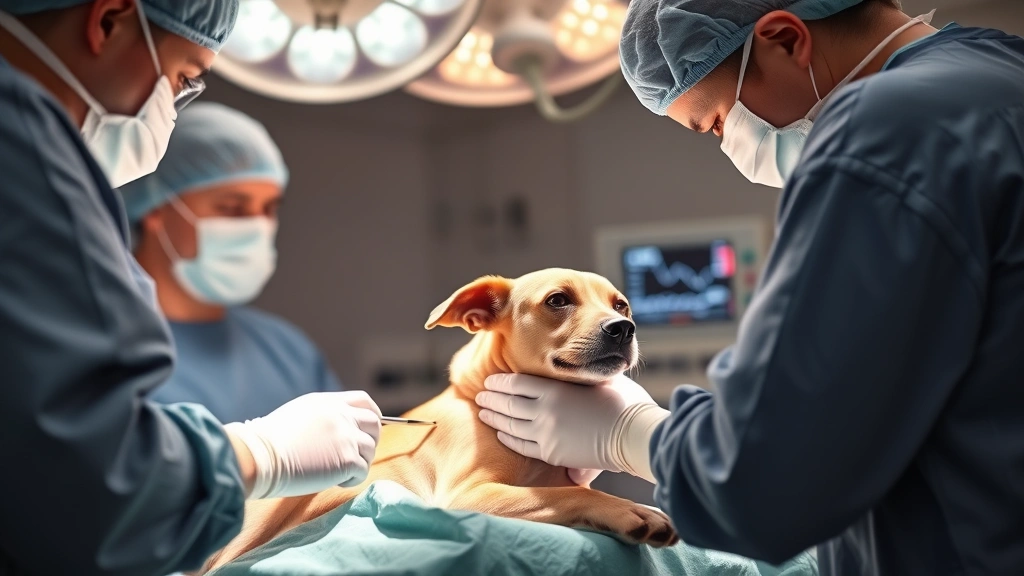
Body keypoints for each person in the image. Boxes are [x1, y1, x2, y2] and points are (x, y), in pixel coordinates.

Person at [474, 0, 1024, 574]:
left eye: (714, 122)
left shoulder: (888, 132)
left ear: (785, 40)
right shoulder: (1002, 77)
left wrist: (629, 434)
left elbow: (764, 484)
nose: (726, 144)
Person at [0, 2, 381, 574]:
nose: (256, 226)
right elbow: (94, 499)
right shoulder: (22, 143)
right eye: (183, 77)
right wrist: (265, 453)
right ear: (108, 19)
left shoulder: (281, 347)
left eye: (269, 209)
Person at [119, 102, 342, 424]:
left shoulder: (289, 353)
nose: (257, 226)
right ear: (156, 208)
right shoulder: (101, 349)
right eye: (232, 208)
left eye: (269, 209)